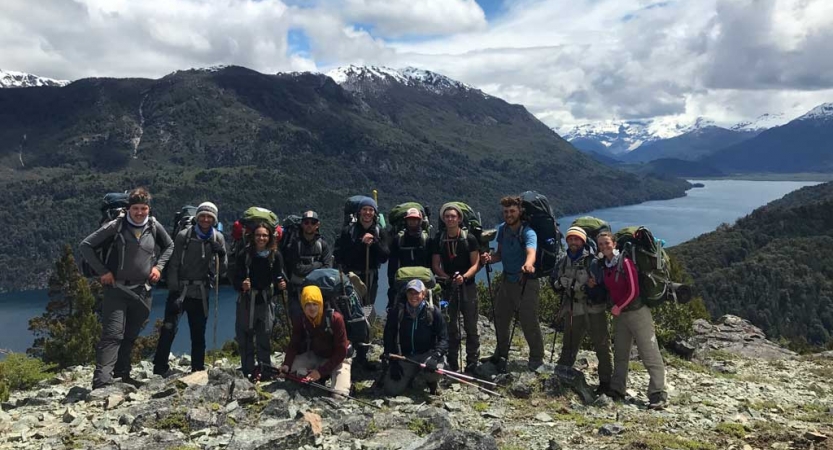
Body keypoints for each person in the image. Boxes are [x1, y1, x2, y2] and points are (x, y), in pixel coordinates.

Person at [80, 187, 173, 389]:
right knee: (113, 334)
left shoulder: (154, 226)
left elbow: (169, 246)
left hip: (143, 291)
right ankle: (102, 381)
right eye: (136, 208)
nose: (140, 212)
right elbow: (86, 246)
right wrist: (103, 271)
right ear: (128, 208)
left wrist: (159, 267)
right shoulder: (116, 226)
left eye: (144, 208)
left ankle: (123, 374)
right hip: (117, 289)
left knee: (130, 334)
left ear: (149, 209)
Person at [153, 202, 227, 375]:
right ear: (197, 217)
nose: (206, 219)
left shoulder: (218, 239)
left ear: (214, 219)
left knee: (198, 332)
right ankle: (159, 367)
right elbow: (174, 265)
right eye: (202, 216)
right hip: (181, 290)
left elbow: (222, 270)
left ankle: (198, 368)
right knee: (169, 328)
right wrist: (174, 292)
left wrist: (222, 254)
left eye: (210, 217)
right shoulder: (183, 236)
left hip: (200, 292)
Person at [596, 231, 667, 409]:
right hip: (621, 315)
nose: (604, 247)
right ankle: (618, 388)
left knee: (649, 352)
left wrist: (619, 306)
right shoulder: (605, 265)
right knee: (620, 354)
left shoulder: (625, 262)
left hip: (637, 312)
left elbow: (634, 290)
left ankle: (658, 393)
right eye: (601, 244)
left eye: (607, 243)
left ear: (614, 243)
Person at [481, 195, 544, 373]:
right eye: (506, 211)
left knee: (528, 321)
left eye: (512, 211)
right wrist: (490, 259)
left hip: (525, 282)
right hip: (507, 281)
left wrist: (529, 263)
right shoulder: (503, 229)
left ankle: (537, 359)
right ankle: (500, 354)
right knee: (501, 318)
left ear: (520, 212)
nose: (508, 214)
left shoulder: (528, 232)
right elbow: (500, 254)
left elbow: (531, 251)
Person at [552, 226, 612, 394]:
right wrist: (560, 284)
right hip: (573, 308)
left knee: (602, 346)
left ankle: (606, 383)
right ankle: (563, 375)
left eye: (576, 239)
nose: (573, 242)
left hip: (594, 310)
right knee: (569, 345)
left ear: (583, 241)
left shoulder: (592, 262)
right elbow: (554, 283)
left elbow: (602, 286)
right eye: (570, 238)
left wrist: (589, 287)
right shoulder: (563, 261)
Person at [334, 197, 389, 369]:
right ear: (358, 213)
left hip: (370, 277)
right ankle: (347, 351)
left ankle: (362, 354)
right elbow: (342, 256)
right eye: (364, 210)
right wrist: (361, 243)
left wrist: (374, 243)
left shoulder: (379, 232)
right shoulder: (348, 231)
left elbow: (385, 255)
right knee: (349, 312)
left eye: (371, 210)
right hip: (351, 278)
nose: (367, 213)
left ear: (375, 213)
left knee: (367, 311)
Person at [233, 223, 288, 380]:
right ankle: (248, 370)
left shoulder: (275, 255)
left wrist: (282, 284)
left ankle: (265, 370)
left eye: (265, 235)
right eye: (258, 235)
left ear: (270, 237)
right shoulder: (244, 254)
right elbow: (235, 278)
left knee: (264, 336)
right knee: (245, 337)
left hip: (265, 301)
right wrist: (242, 285)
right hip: (247, 300)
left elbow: (279, 277)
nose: (261, 238)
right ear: (253, 236)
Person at [431, 203, 480, 373]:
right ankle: (452, 361)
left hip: (468, 286)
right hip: (448, 287)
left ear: (459, 218)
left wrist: (464, 277)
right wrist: (447, 278)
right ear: (443, 219)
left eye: (453, 216)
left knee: (471, 325)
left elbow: (476, 264)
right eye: (447, 216)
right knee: (450, 326)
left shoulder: (470, 238)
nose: (450, 219)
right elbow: (435, 265)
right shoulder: (439, 238)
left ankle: (472, 361)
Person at [279, 285, 351, 396]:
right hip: (316, 355)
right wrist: (286, 365)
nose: (311, 308)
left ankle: (330, 379)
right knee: (289, 372)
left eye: (315, 304)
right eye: (307, 304)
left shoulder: (336, 319)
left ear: (320, 303)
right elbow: (294, 344)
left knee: (339, 396)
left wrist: (320, 372)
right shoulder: (302, 319)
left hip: (338, 359)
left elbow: (341, 352)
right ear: (303, 305)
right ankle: (315, 376)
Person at [381, 280, 448, 396]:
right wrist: (393, 360)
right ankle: (411, 377)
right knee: (391, 390)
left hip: (427, 354)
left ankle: (431, 382)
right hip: (404, 356)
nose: (413, 297)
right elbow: (388, 336)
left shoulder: (432, 312)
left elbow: (444, 338)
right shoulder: (397, 312)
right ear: (406, 294)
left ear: (423, 294)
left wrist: (435, 357)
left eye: (417, 293)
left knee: (434, 371)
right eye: (410, 293)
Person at [286, 211, 333, 320]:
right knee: (298, 323)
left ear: (317, 225)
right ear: (302, 224)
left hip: (318, 291)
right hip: (297, 291)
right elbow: (297, 269)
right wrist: (318, 264)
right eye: (306, 222)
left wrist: (307, 269)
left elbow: (327, 268)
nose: (309, 225)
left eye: (313, 222)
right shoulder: (294, 244)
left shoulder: (322, 244)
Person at [386, 207, 431, 311]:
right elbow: (392, 264)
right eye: (410, 219)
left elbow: (430, 263)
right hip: (403, 281)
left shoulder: (426, 240)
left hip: (422, 281)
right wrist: (392, 283)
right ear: (406, 220)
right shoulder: (399, 239)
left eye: (415, 219)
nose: (412, 222)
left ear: (420, 221)